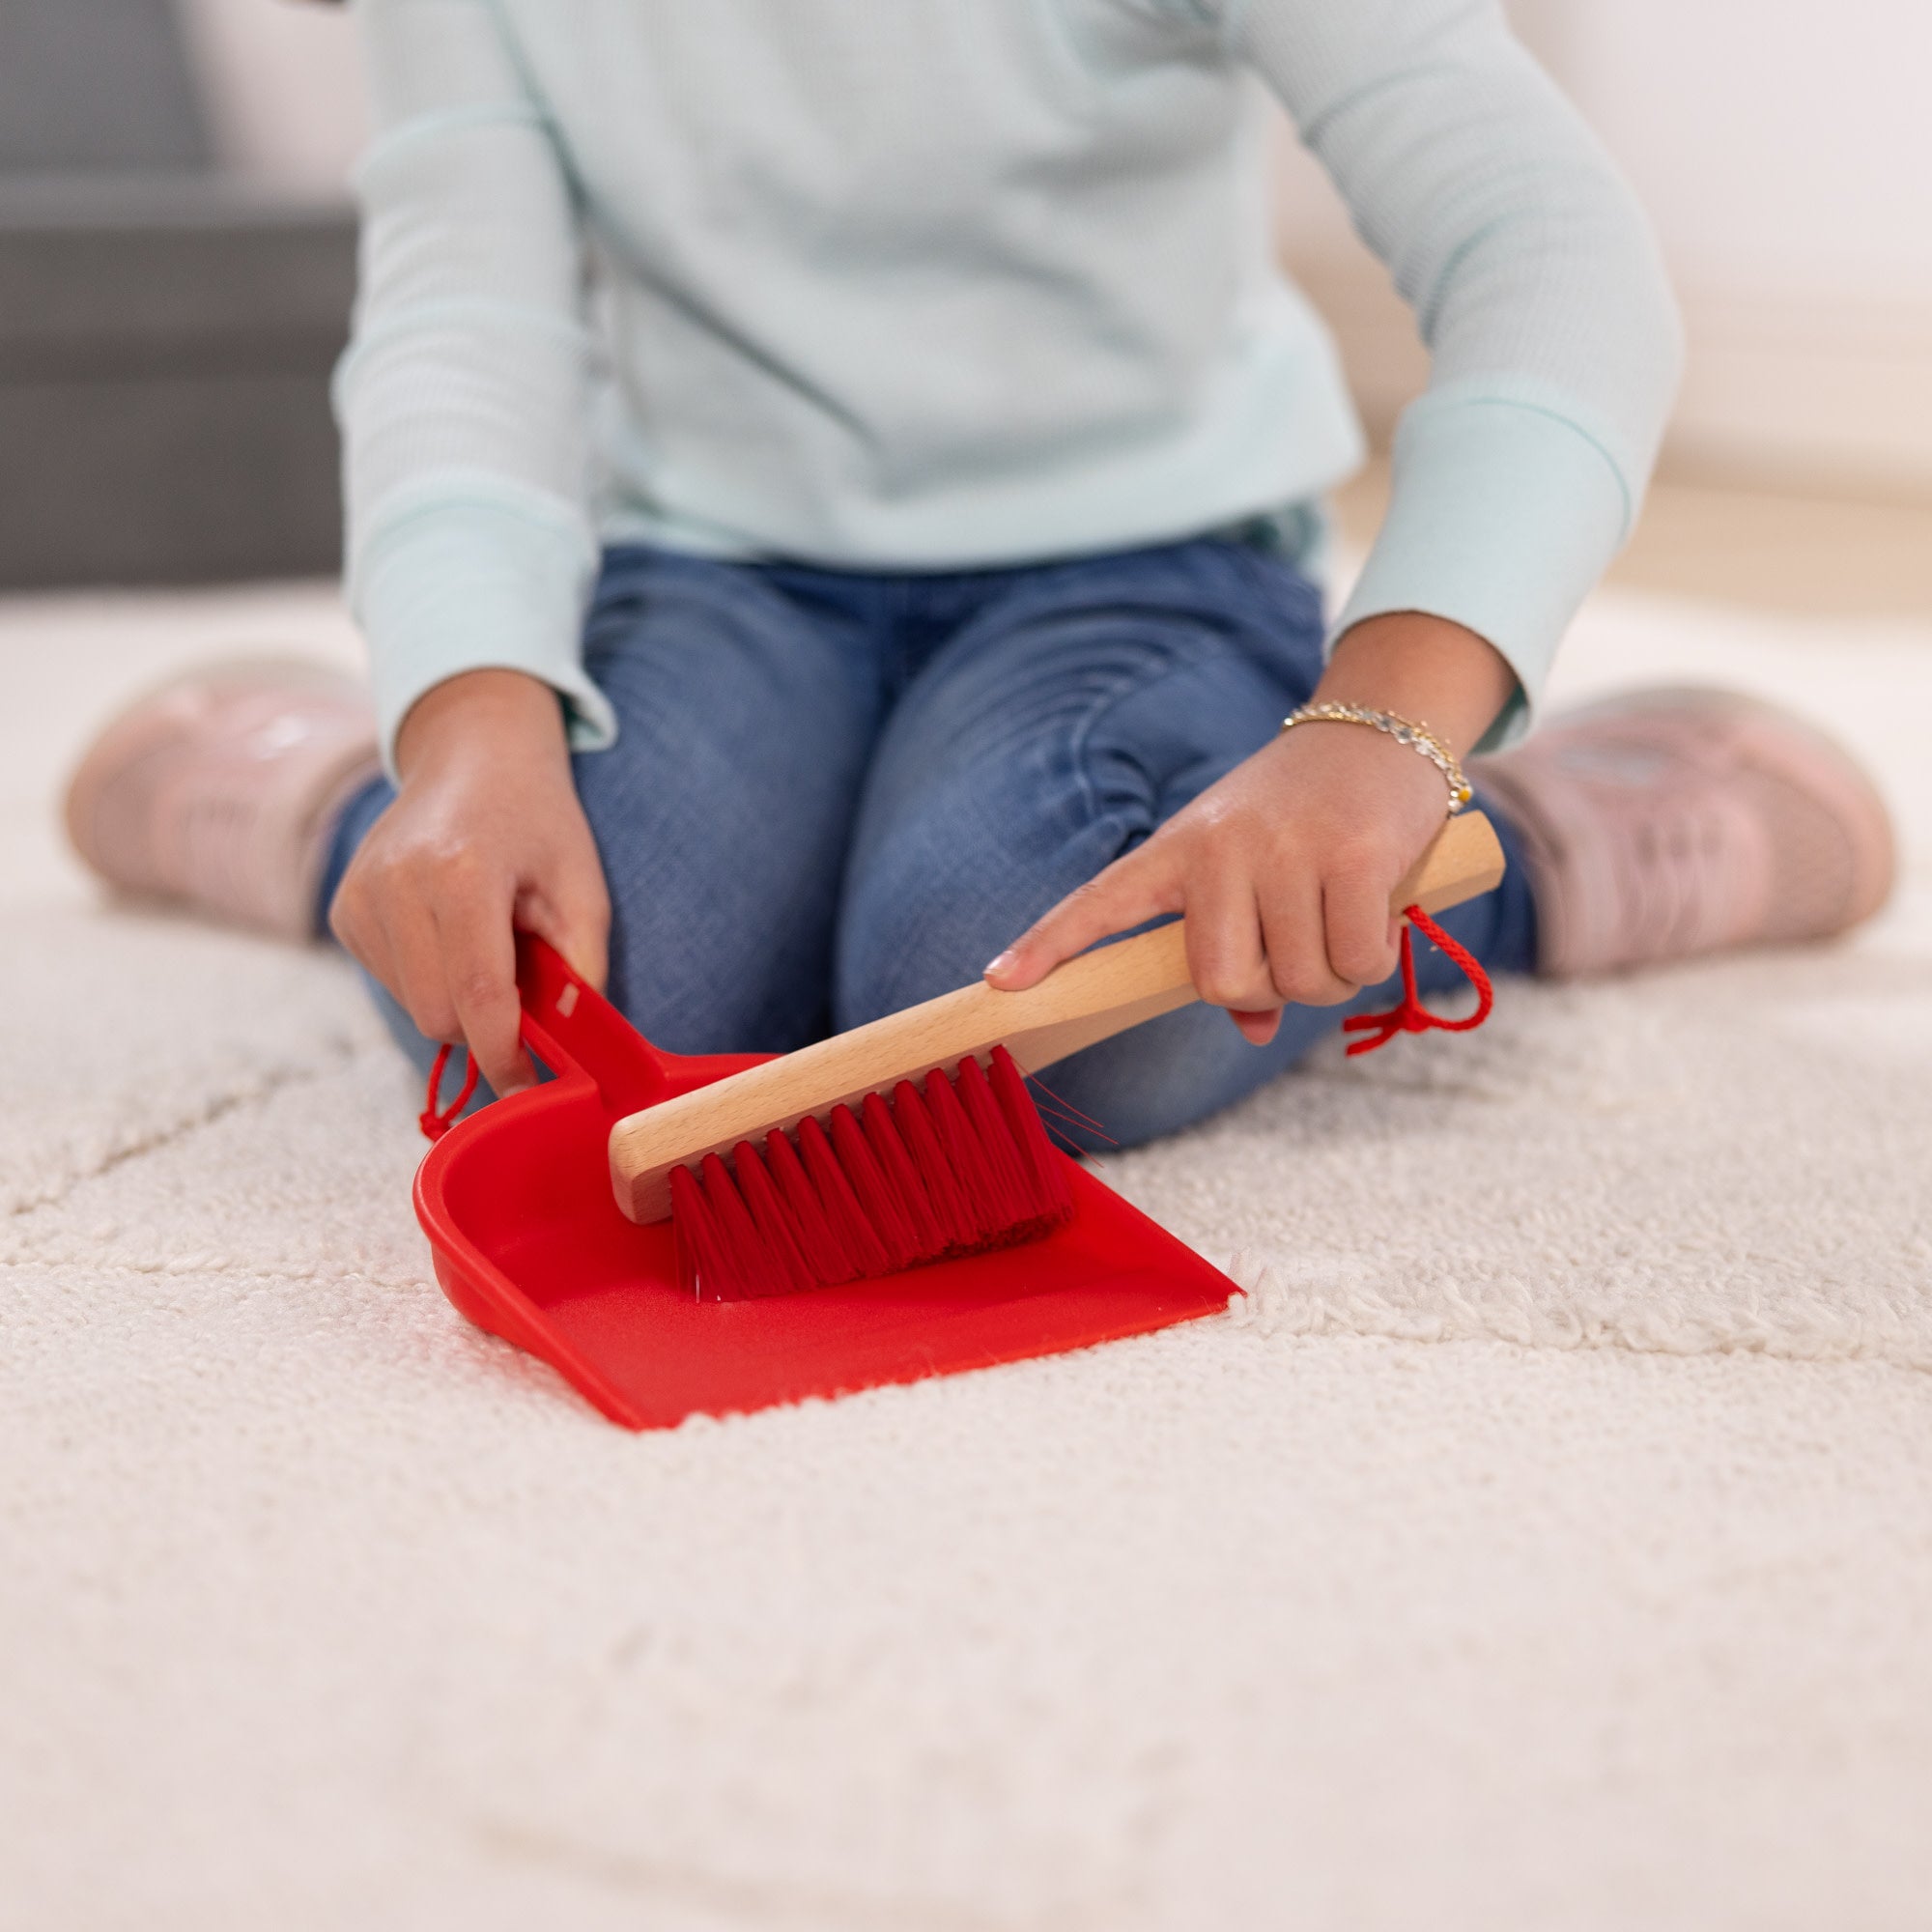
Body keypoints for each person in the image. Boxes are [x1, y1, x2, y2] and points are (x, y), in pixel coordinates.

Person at [65, 0, 1892, 1149]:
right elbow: (467, 321)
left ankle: (1520, 852)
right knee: (582, 1025)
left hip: (1137, 570)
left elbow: (1547, 247)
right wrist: (467, 732)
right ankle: (347, 804)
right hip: (714, 568)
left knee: (1024, 1032)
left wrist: (1382, 730)